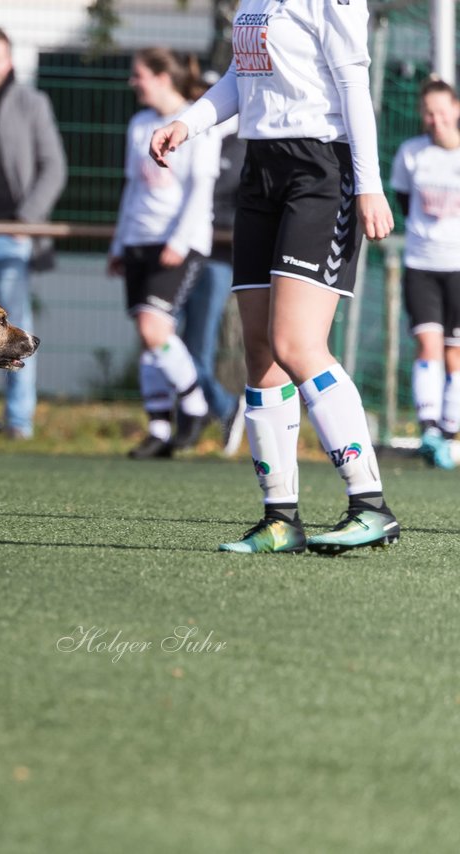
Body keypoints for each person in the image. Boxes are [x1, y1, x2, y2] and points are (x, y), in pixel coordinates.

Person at [151, 0, 400, 554]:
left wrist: (369, 185)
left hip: (321, 171)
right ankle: (280, 519)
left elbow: (354, 85)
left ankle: (370, 505)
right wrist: (186, 124)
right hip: (260, 169)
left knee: (297, 343)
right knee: (260, 352)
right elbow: (243, 77)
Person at [108, 48, 219, 460]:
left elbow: (200, 188)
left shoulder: (194, 121)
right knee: (148, 337)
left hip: (177, 242)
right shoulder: (139, 124)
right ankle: (158, 427)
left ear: (161, 77)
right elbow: (133, 188)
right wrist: (120, 243)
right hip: (139, 238)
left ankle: (194, 406)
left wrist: (180, 239)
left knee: (156, 330)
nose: (133, 83)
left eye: (138, 74)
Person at [0, 26, 67, 440]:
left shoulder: (31, 103)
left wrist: (28, 220)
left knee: (15, 327)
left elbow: (53, 167)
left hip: (12, 234)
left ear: (10, 61)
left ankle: (18, 421)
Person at [390, 78, 460, 471]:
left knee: (455, 354)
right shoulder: (411, 153)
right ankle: (429, 429)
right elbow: (403, 200)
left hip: (458, 267)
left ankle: (450, 433)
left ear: (456, 110)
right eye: (428, 113)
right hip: (421, 265)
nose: (434, 119)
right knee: (427, 346)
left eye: (440, 111)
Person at [181, 73, 248, 456]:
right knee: (164, 341)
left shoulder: (242, 143)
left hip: (217, 258)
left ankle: (223, 407)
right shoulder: (191, 136)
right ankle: (189, 419)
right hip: (183, 251)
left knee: (196, 349)